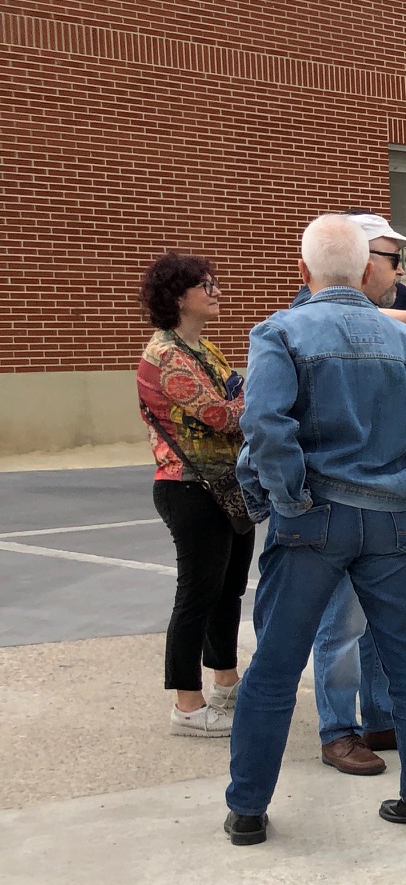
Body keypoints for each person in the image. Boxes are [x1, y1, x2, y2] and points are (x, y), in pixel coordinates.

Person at [223, 214, 406, 846]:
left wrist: (287, 499)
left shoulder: (280, 332)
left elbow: (265, 425)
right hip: (394, 521)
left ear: (302, 270)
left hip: (312, 520)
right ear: (366, 272)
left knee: (275, 667)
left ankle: (248, 809)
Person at [308, 214, 406, 774]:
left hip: (391, 504)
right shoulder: (309, 320)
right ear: (356, 263)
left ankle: (381, 718)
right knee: (340, 625)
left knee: (386, 623)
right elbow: (268, 431)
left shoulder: (397, 321)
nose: (399, 270)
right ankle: (338, 730)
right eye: (390, 258)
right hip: (330, 506)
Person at [135, 252, 251, 737]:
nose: (216, 291)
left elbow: (235, 398)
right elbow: (222, 415)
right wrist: (256, 397)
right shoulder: (166, 355)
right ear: (178, 297)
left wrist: (244, 398)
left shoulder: (204, 348)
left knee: (229, 590)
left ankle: (225, 680)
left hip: (226, 485)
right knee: (197, 595)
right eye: (206, 285)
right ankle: (187, 704)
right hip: (189, 488)